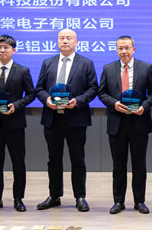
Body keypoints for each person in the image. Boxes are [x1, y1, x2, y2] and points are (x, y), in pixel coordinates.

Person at [35, 28, 98, 212]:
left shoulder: (86, 63)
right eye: (61, 38)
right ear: (57, 41)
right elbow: (39, 88)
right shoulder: (48, 63)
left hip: (76, 118)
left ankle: (80, 196)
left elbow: (93, 88)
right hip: (52, 118)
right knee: (53, 160)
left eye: (69, 38)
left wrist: (78, 101)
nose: (64, 41)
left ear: (76, 42)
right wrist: (47, 99)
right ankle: (54, 196)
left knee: (78, 159)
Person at [97, 35, 152, 214]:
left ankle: (139, 201)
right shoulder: (108, 69)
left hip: (139, 122)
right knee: (118, 165)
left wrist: (144, 106)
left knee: (139, 165)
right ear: (116, 50)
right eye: (120, 48)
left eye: (127, 48)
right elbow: (102, 93)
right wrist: (114, 104)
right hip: (117, 122)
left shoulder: (146, 68)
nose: (124, 51)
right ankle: (118, 201)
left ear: (134, 49)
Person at [0, 35, 36, 213]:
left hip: (15, 123)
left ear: (14, 50)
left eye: (6, 47)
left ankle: (18, 199)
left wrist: (17, 105)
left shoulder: (22, 70)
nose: (2, 50)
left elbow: (31, 94)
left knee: (18, 163)